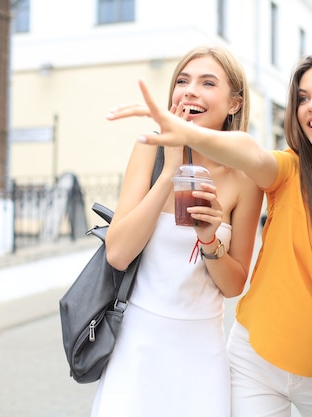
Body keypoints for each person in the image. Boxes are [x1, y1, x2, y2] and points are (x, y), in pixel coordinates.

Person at [106, 51, 312, 416]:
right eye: (303, 98)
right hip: (255, 362)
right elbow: (248, 151)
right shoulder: (287, 170)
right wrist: (185, 134)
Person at [92, 46, 263, 417]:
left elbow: (234, 286)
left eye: (207, 82)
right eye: (182, 81)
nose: (190, 91)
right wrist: (169, 172)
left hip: (201, 349)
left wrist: (209, 239)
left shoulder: (245, 178)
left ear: (234, 103)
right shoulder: (149, 151)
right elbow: (117, 253)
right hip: (137, 343)